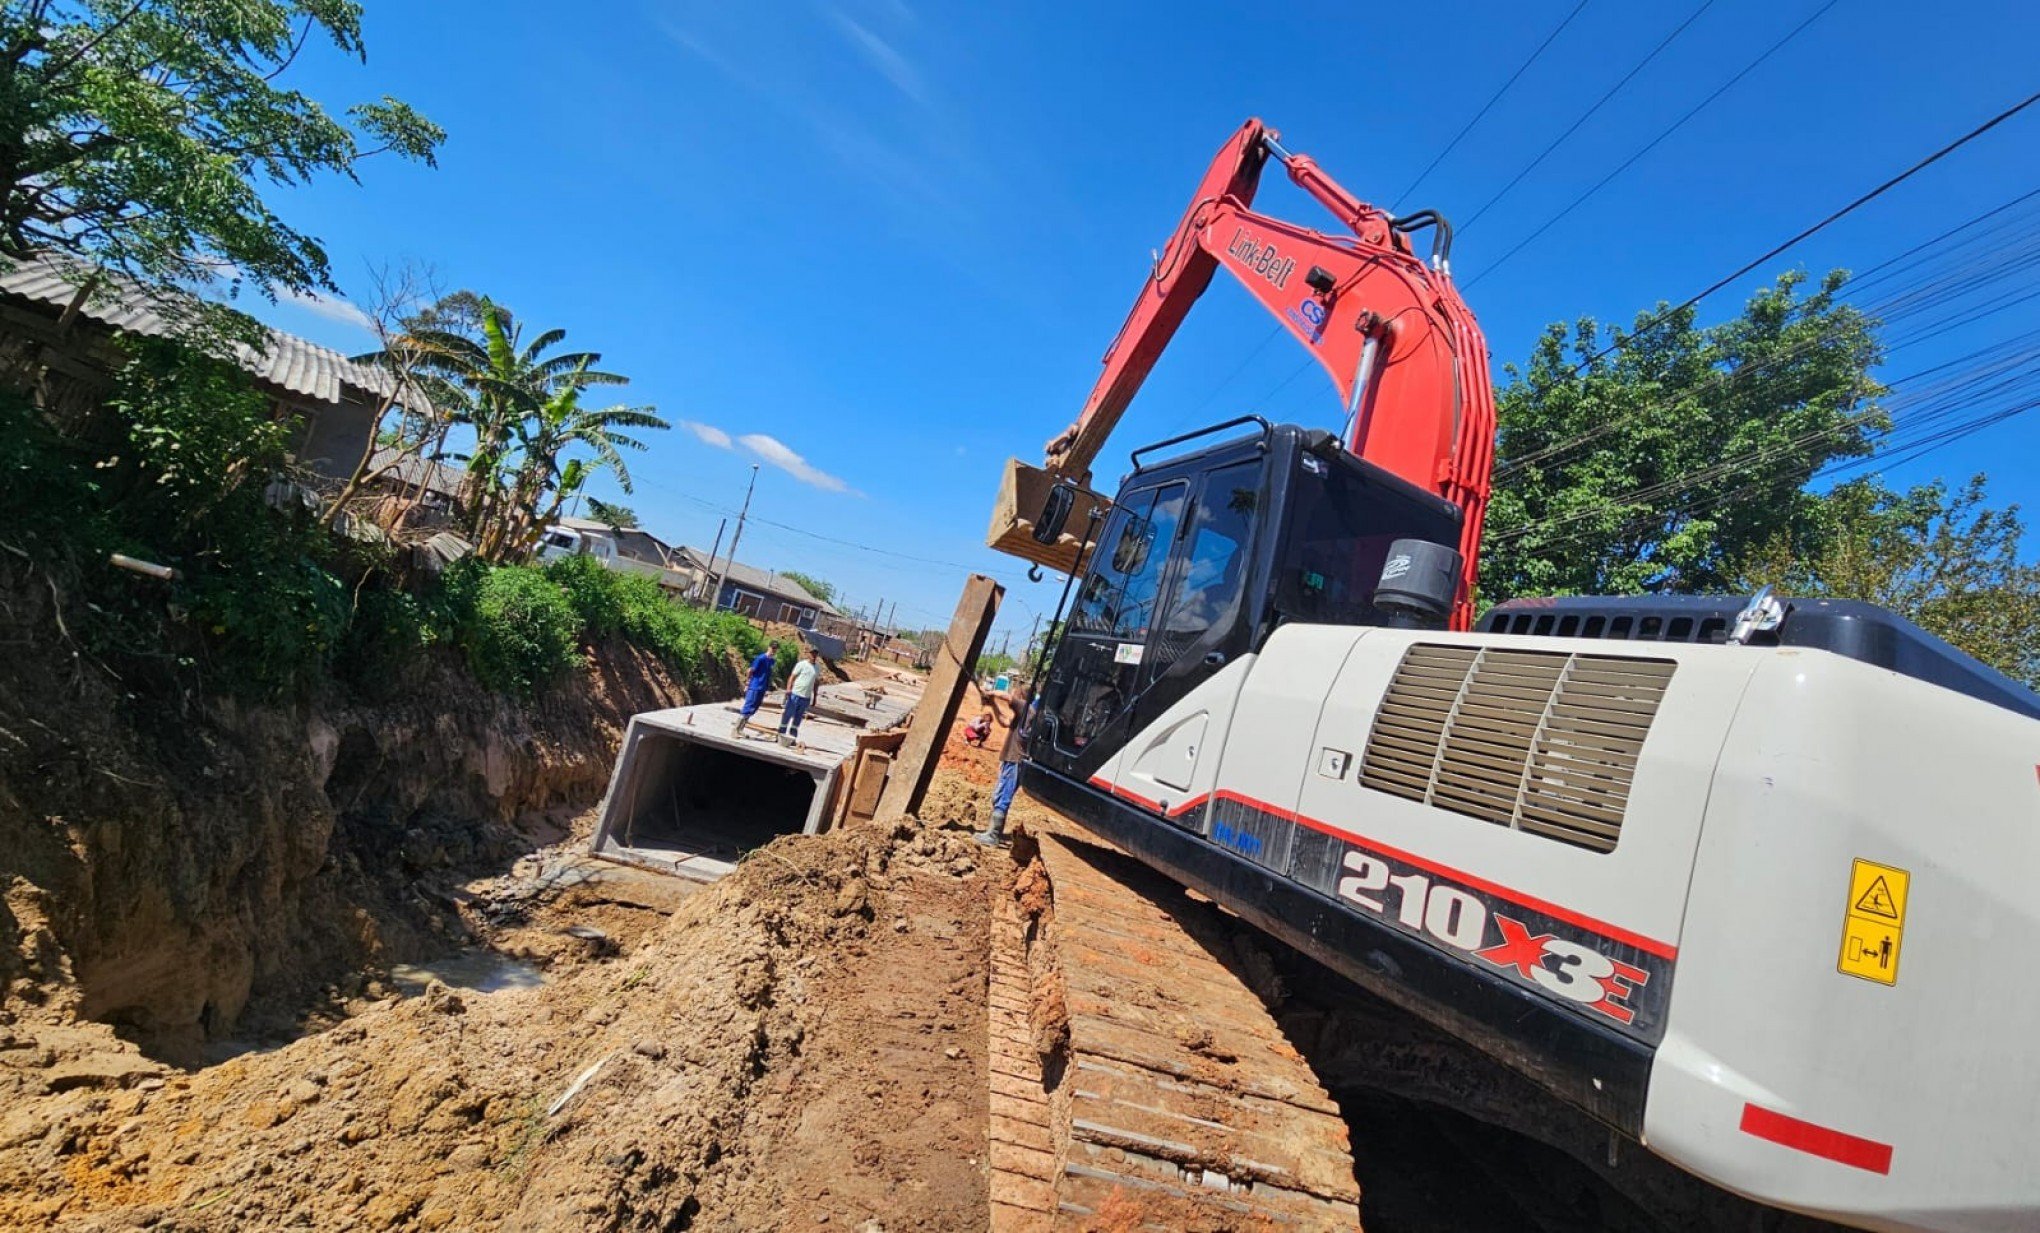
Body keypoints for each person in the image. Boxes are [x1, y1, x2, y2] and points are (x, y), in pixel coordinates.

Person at [975, 682, 1033, 847]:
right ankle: (992, 832)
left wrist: (990, 692)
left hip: (1015, 760)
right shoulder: (1024, 715)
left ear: (1021, 696)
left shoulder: (1026, 708)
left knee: (1003, 797)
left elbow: (1006, 697)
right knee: (999, 795)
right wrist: (992, 703)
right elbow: (1004, 722)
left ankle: (993, 835)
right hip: (1011, 759)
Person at [733, 643, 777, 738]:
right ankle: (735, 730)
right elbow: (750, 670)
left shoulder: (772, 661)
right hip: (755, 686)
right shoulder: (761, 658)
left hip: (762, 688)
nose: (773, 650)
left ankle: (740, 730)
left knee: (753, 709)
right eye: (772, 648)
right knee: (748, 707)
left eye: (775, 649)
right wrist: (748, 683)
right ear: (768, 647)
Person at [779, 648, 821, 746]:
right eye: (812, 653)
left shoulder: (817, 668)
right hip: (795, 694)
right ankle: (781, 735)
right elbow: (792, 677)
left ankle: (792, 738)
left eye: (815, 653)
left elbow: (816, 682)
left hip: (805, 697)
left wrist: (815, 697)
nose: (814, 655)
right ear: (808, 654)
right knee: (787, 715)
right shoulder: (802, 664)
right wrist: (788, 689)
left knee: (798, 718)